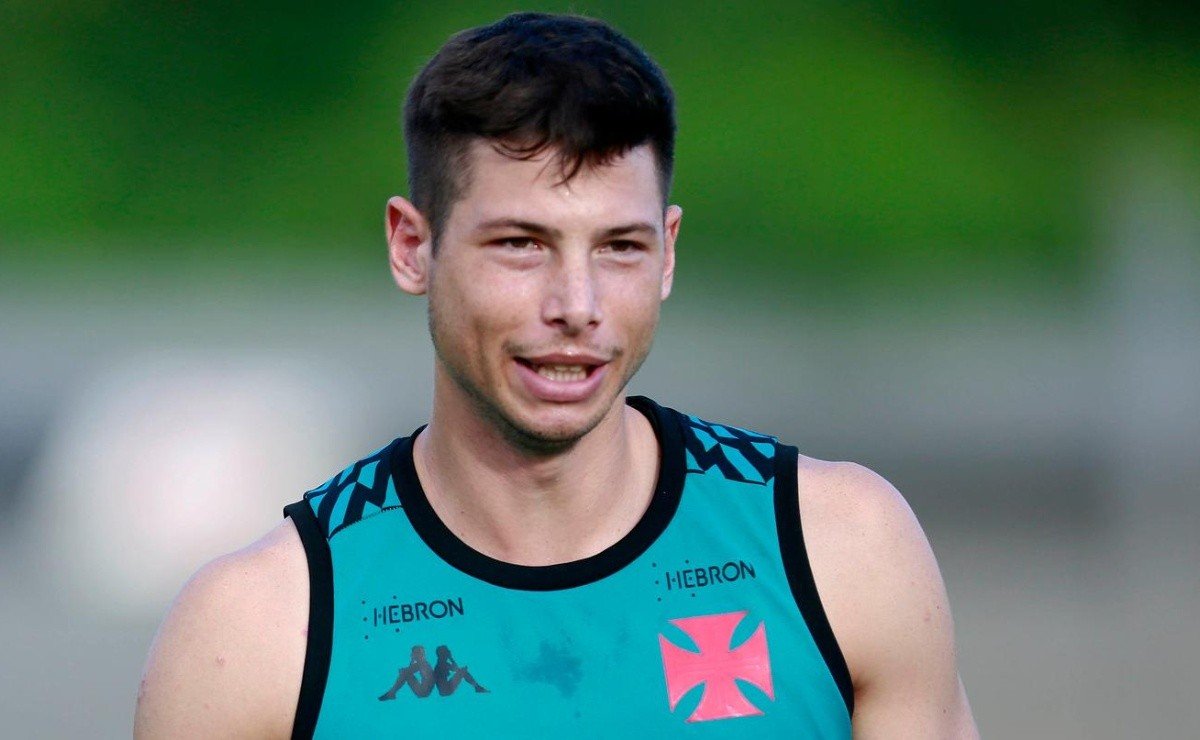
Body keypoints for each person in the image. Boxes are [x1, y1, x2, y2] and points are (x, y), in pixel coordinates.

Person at [134, 11, 978, 738]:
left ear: (668, 253)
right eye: (521, 244)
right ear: (412, 246)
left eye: (619, 247)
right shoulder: (260, 632)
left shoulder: (837, 551)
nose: (578, 305)